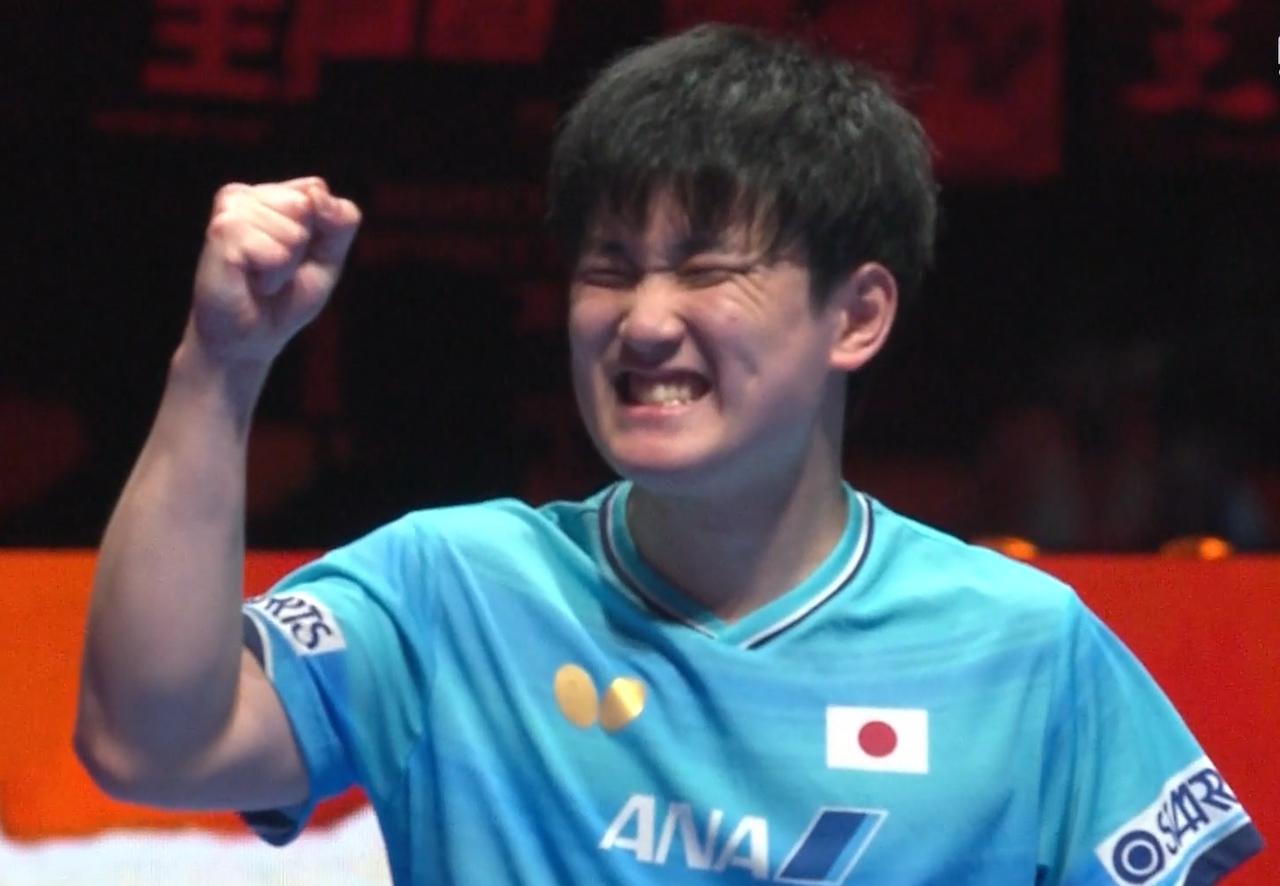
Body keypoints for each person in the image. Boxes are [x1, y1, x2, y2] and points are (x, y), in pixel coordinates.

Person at [74, 24, 1261, 885]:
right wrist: (219, 365)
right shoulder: (451, 589)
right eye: (608, 268)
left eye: (705, 268)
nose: (643, 321)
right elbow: (148, 744)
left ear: (854, 315)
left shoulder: (1020, 646)